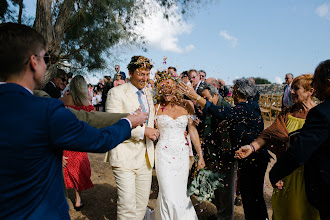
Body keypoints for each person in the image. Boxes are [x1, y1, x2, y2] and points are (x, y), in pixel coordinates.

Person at [0, 22, 147, 220]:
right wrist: (129, 122)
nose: (46, 66)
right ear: (34, 63)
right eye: (45, 59)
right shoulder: (46, 111)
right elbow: (100, 140)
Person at [179, 78, 270, 220]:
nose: (232, 93)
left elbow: (222, 112)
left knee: (253, 198)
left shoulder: (246, 107)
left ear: (239, 92)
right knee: (250, 197)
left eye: (234, 90)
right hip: (250, 158)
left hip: (254, 159)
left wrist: (195, 97)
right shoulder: (249, 106)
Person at [235, 74, 320, 220]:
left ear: (310, 91)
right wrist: (251, 147)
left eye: (296, 88)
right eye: (291, 88)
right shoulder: (287, 113)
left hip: (311, 177)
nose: (291, 92)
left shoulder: (320, 115)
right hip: (286, 173)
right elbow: (268, 134)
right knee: (283, 211)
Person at [269, 60, 330, 220]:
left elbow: (299, 152)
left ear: (328, 82)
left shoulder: (321, 113)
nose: (314, 85)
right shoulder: (288, 113)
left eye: (317, 80)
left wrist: (275, 173)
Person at [145, 72, 205, 220]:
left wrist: (200, 155)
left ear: (176, 88)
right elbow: (149, 129)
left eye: (170, 88)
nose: (166, 92)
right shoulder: (156, 107)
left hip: (182, 155)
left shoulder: (187, 105)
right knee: (167, 192)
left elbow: (192, 130)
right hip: (163, 155)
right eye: (163, 89)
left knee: (179, 192)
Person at [105, 56, 159, 220]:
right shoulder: (116, 92)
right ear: (130, 72)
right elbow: (114, 123)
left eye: (147, 74)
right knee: (127, 207)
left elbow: (152, 120)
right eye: (141, 73)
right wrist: (144, 132)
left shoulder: (148, 94)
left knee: (141, 206)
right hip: (124, 156)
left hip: (146, 158)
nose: (145, 78)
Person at [196, 83, 236, 220]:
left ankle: (225, 217)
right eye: (202, 98)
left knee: (226, 188)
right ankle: (220, 213)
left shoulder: (225, 107)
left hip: (225, 154)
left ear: (215, 95)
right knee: (216, 187)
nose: (204, 101)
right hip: (212, 152)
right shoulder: (207, 107)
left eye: (206, 98)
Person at [60, 75, 96, 211]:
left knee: (64, 170)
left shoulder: (62, 102)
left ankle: (63, 198)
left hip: (65, 141)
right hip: (79, 142)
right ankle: (78, 200)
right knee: (78, 170)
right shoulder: (88, 105)